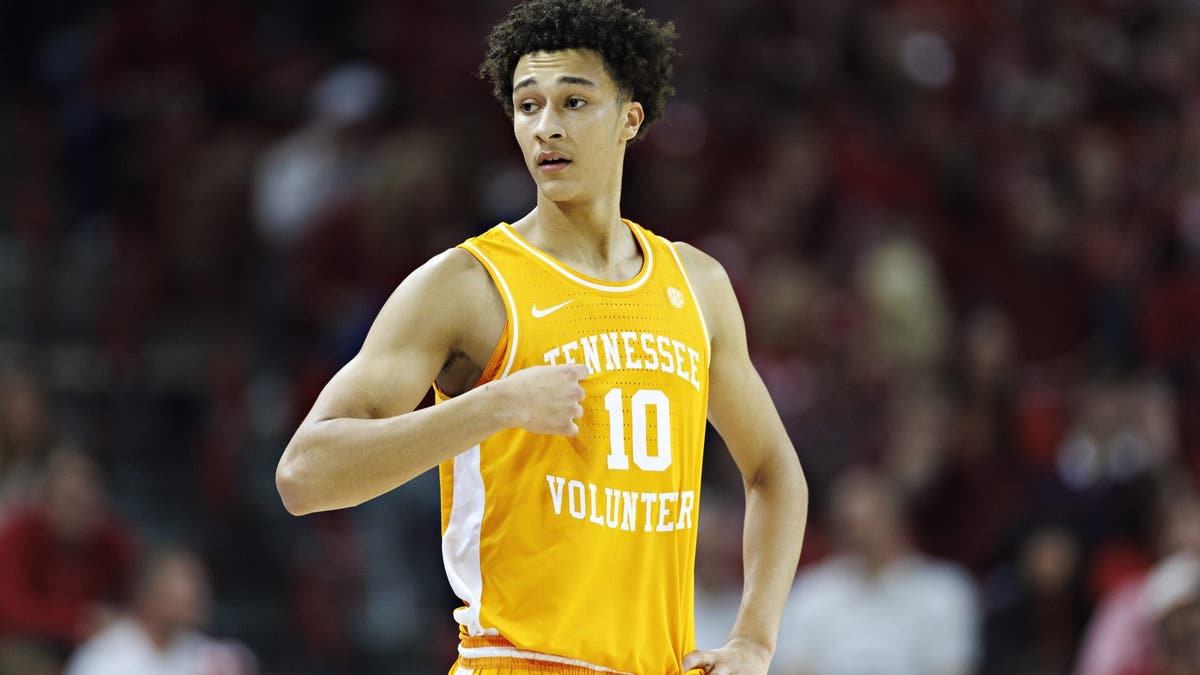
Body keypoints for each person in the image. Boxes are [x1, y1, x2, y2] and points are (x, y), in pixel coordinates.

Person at [274, 1, 809, 673]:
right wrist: (493, 406)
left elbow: (775, 471)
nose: (546, 127)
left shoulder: (697, 283)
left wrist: (755, 641)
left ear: (629, 119)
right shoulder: (467, 285)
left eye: (574, 102)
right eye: (528, 106)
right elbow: (304, 474)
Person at [771, 466, 978, 675]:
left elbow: (952, 668)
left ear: (897, 520)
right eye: (851, 524)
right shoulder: (809, 593)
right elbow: (792, 668)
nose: (861, 534)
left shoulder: (943, 591)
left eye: (871, 520)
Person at [0, 446, 136, 664]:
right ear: (46, 500)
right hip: (27, 645)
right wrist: (76, 620)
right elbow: (10, 608)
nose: (76, 513)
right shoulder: (16, 535)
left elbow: (135, 604)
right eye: (68, 501)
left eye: (85, 503)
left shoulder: (116, 544)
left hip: (95, 649)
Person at [64, 547, 255, 675]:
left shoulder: (206, 655)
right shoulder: (103, 658)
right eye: (186, 583)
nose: (199, 593)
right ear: (148, 593)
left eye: (200, 584)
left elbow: (239, 659)